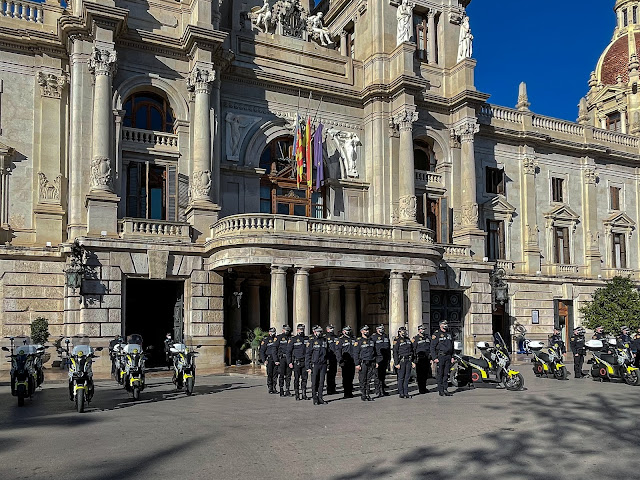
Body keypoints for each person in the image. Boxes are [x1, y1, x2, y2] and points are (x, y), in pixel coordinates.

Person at [430, 320, 455, 396]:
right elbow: (432, 347)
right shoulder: (436, 334)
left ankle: (445, 389)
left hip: (448, 356)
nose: (446, 325)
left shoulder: (449, 333)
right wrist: (434, 357)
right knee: (440, 374)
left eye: (446, 324)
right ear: (440, 325)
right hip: (440, 356)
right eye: (444, 324)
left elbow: (452, 345)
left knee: (446, 374)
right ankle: (441, 390)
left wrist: (452, 356)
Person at [306, 325, 329, 405]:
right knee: (315, 382)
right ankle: (315, 398)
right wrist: (308, 367)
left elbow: (327, 353)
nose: (319, 333)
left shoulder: (324, 340)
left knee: (322, 382)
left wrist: (327, 364)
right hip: (315, 364)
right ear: (314, 332)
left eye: (320, 331)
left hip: (323, 364)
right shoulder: (311, 341)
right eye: (318, 331)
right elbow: (308, 354)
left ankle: (320, 397)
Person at [353, 325, 377, 401]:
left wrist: (375, 361)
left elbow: (374, 352)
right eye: (365, 330)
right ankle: (363, 394)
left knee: (369, 379)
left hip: (371, 362)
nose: (367, 331)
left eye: (367, 330)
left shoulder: (371, 341)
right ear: (361, 331)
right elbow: (356, 353)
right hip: (363, 363)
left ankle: (367, 394)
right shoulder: (358, 341)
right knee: (363, 379)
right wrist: (357, 364)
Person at [288, 324, 309, 401]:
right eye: (300, 329)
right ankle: (297, 394)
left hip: (305, 362)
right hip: (296, 361)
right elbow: (289, 351)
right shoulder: (293, 339)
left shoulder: (307, 338)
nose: (301, 330)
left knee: (304, 379)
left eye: (303, 329)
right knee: (296, 379)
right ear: (297, 330)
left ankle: (304, 394)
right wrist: (289, 362)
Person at [335, 326, 356, 399]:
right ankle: (346, 393)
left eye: (349, 330)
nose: (348, 332)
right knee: (346, 378)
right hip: (345, 361)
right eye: (347, 330)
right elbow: (338, 351)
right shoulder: (340, 340)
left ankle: (350, 392)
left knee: (351, 377)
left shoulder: (353, 339)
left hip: (352, 361)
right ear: (343, 331)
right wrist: (340, 360)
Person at [371, 324, 391, 397]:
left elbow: (388, 348)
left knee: (383, 375)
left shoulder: (385, 336)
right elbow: (372, 349)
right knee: (377, 376)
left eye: (382, 328)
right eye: (380, 328)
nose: (381, 329)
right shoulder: (373, 337)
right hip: (378, 359)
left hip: (385, 359)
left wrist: (389, 358)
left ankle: (382, 390)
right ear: (377, 329)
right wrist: (374, 360)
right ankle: (378, 391)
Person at [393, 326, 413, 399]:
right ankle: (401, 393)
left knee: (407, 377)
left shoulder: (408, 339)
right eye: (402, 331)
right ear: (399, 332)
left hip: (408, 360)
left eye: (404, 331)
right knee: (401, 377)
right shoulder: (397, 340)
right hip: (402, 360)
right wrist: (396, 363)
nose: (404, 332)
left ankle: (406, 392)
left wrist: (413, 361)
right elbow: (395, 352)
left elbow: (412, 350)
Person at [259, 327, 280, 394]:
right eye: (272, 332)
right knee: (270, 374)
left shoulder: (277, 339)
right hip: (269, 358)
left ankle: (274, 387)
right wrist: (264, 360)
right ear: (269, 332)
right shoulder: (266, 340)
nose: (273, 333)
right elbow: (262, 351)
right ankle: (270, 388)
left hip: (276, 359)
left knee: (275, 374)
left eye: (274, 332)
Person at [412, 324, 431, 394]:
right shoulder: (415, 338)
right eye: (421, 329)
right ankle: (421, 389)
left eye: (424, 329)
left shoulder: (428, 337)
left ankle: (424, 387)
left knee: (425, 374)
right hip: (419, 359)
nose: (423, 330)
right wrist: (413, 360)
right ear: (419, 330)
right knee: (420, 375)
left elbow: (430, 347)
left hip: (426, 358)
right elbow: (413, 349)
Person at [276, 325, 293, 397]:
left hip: (289, 359)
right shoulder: (279, 337)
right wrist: (276, 360)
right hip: (282, 358)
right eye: (286, 330)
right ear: (283, 330)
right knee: (282, 374)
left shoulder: (291, 338)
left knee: (288, 375)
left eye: (288, 330)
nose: (287, 331)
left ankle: (287, 389)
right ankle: (281, 389)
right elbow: (275, 349)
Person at [325, 325, 338, 395]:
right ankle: (329, 389)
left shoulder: (336, 337)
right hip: (329, 358)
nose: (332, 330)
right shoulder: (325, 337)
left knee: (334, 373)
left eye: (332, 328)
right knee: (329, 374)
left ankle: (333, 388)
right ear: (327, 330)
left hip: (335, 358)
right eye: (330, 329)